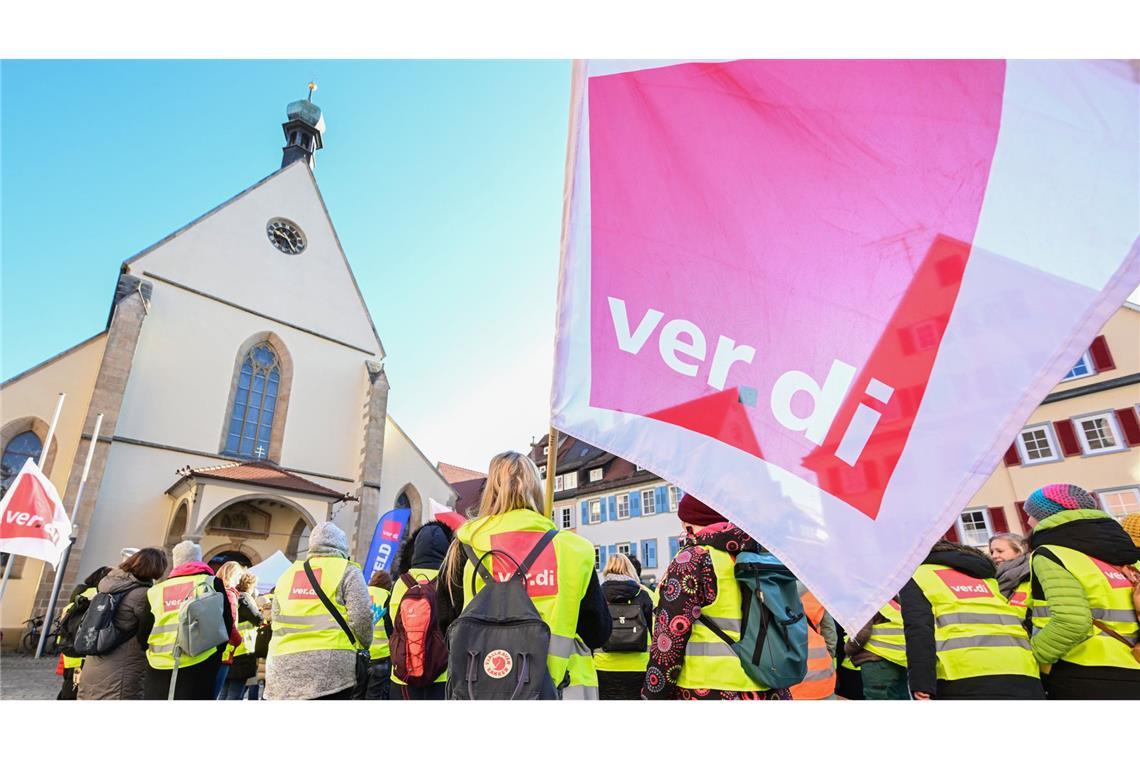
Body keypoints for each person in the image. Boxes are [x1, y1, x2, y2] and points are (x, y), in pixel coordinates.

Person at [438, 451, 611, 699]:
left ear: (490, 492)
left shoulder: (465, 546)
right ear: (537, 490)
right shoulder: (575, 550)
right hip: (560, 688)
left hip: (480, 687)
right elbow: (597, 632)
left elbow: (448, 627)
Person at [642, 494, 791, 700]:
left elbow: (670, 639)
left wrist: (654, 695)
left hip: (709, 688)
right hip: (770, 685)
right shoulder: (764, 555)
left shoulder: (694, 559)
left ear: (689, 524)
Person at [1024, 483, 1140, 699]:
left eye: (1030, 514)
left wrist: (1031, 656)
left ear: (1046, 515)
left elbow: (1072, 622)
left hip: (1084, 670)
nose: (1028, 521)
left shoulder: (1052, 553)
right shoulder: (1129, 558)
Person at [899, 539, 1043, 699]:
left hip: (963, 673)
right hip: (1022, 669)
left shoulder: (918, 575)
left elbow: (919, 630)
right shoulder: (983, 575)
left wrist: (922, 683)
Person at [265, 521, 372, 700]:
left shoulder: (288, 574)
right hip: (330, 668)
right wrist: (365, 643)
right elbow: (361, 616)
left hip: (282, 666)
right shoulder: (347, 571)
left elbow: (275, 618)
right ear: (342, 546)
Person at [141, 541, 239, 699]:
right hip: (200, 662)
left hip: (158, 664)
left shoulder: (156, 590)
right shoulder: (211, 583)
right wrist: (215, 654)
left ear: (176, 561)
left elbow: (143, 631)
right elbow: (226, 622)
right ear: (199, 559)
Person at [78, 549, 168, 700]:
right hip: (123, 665)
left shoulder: (107, 585)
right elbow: (148, 631)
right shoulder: (143, 595)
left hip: (95, 660)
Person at [387, 519, 456, 700]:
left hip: (403, 676)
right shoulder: (451, 581)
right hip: (442, 674)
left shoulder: (400, 583)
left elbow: (390, 626)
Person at [594, 553, 655, 700]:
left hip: (604, 665)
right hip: (638, 666)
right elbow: (655, 632)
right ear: (630, 569)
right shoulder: (644, 595)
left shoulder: (597, 594)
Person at [56, 566, 113, 700]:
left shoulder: (76, 597)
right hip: (85, 656)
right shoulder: (98, 597)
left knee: (69, 688)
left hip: (69, 654)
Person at [844, 598, 909, 700]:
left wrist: (847, 649)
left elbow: (862, 634)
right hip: (898, 660)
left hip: (877, 664)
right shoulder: (892, 601)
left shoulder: (866, 601)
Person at [220, 571, 264, 700]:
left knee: (224, 690)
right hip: (243, 651)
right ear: (250, 584)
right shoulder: (244, 598)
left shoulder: (231, 595)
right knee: (235, 692)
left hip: (229, 650)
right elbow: (257, 618)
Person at [789, 583, 837, 700]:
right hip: (823, 678)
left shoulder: (765, 587)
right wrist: (826, 657)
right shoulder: (814, 589)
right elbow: (830, 635)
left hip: (788, 682)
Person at [213, 560, 246, 698]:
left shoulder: (214, 591)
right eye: (238, 576)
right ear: (232, 575)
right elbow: (230, 622)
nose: (239, 581)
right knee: (216, 691)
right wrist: (238, 640)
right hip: (225, 649)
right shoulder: (230, 594)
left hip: (211, 647)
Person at [361, 570, 393, 700]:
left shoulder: (362, 592)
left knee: (357, 695)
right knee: (375, 696)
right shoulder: (388, 597)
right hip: (382, 656)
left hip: (361, 654)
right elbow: (392, 627)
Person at [989, 532, 1031, 614]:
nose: (994, 556)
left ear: (1019, 551)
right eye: (992, 552)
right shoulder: (992, 576)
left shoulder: (1030, 573)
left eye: (1000, 551)